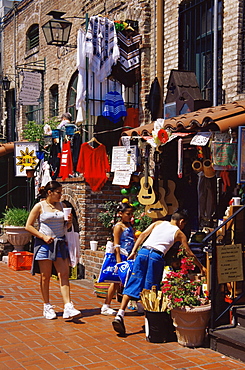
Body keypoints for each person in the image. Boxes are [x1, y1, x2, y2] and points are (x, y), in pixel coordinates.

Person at [112, 210, 207, 335]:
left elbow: (142, 235)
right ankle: (150, 324)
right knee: (151, 289)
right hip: (156, 257)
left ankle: (120, 314)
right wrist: (201, 267)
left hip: (143, 252)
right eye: (184, 224)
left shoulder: (158, 223)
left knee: (133, 282)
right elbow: (189, 253)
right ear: (181, 221)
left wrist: (134, 251)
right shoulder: (179, 233)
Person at [25, 180, 81, 320]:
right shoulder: (40, 206)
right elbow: (29, 226)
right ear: (50, 192)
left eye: (61, 193)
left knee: (64, 274)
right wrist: (43, 236)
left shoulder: (62, 206)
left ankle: (68, 305)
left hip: (60, 243)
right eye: (58, 193)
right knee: (46, 276)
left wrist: (68, 222)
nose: (60, 196)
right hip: (44, 244)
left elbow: (66, 227)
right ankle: (47, 305)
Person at [101, 202, 135, 316]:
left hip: (129, 255)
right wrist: (119, 260)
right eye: (128, 214)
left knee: (130, 279)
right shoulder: (118, 227)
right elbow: (116, 244)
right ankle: (106, 305)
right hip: (121, 255)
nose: (130, 216)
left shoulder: (129, 226)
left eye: (131, 214)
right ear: (120, 214)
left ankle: (134, 302)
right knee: (116, 282)